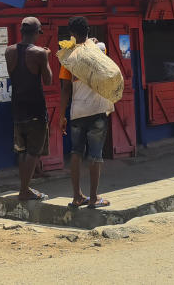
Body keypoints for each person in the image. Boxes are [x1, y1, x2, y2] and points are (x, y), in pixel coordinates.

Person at [58, 16, 114, 209]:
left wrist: (61, 115)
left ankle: (76, 197)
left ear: (71, 35)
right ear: (89, 31)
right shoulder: (100, 48)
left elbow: (65, 89)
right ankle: (93, 197)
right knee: (96, 154)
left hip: (77, 110)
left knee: (76, 153)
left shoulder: (67, 55)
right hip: (98, 108)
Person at [5, 16, 53, 201]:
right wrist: (47, 58)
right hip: (35, 108)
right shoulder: (39, 53)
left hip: (17, 106)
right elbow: (48, 80)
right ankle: (24, 189)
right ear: (36, 33)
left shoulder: (9, 51)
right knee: (34, 152)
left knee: (23, 151)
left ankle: (24, 188)